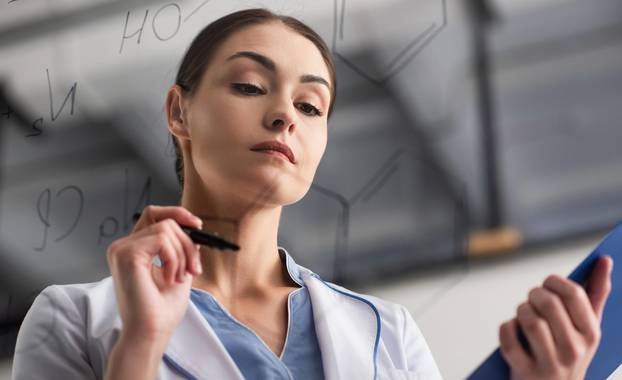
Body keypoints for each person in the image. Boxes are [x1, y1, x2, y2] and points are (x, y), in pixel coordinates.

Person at [11, 8, 612, 380]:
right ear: (178, 111)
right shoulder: (77, 320)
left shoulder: (386, 332)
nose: (284, 117)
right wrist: (141, 342)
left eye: (309, 105)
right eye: (250, 86)